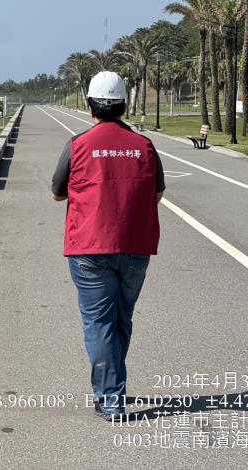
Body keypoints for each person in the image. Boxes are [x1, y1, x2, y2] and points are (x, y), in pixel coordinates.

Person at [51, 71, 166, 421]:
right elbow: (157, 193)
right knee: (120, 318)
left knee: (100, 323)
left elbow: (57, 192)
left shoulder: (78, 144)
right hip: (134, 246)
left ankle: (111, 399)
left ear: (90, 106)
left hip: (88, 247)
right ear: (125, 105)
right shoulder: (144, 146)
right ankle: (112, 387)